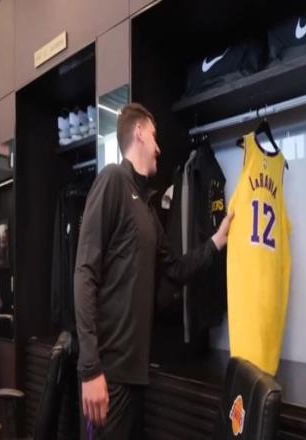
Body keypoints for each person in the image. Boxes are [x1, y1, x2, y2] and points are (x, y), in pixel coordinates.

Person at [74, 103, 233, 439]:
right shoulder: (112, 181)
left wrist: (216, 242)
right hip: (108, 375)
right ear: (140, 133)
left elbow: (175, 269)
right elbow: (85, 272)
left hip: (136, 374)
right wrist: (90, 370)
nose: (159, 148)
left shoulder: (145, 207)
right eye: (155, 136)